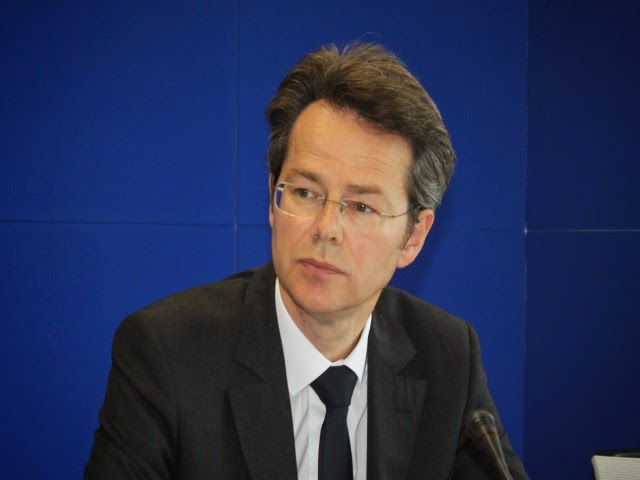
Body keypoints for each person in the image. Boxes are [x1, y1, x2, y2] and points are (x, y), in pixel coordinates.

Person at [85, 43, 528, 479]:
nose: (326, 227)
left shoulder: (448, 358)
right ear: (272, 198)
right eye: (304, 192)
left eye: (361, 206)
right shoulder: (168, 353)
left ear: (413, 236)